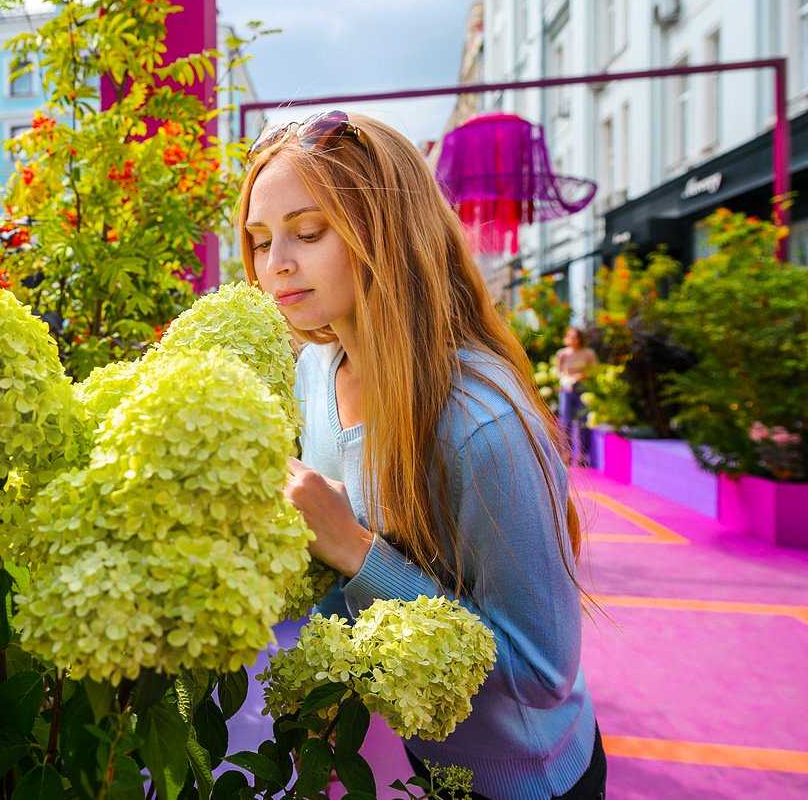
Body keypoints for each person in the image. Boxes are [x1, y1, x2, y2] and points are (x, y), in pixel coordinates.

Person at [237, 111, 605, 800]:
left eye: (309, 232)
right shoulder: (314, 372)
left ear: (385, 231)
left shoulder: (481, 426)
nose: (275, 263)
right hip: (410, 760)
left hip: (523, 780)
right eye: (260, 241)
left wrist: (355, 548)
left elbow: (541, 669)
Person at [554, 328, 598, 467]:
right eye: (569, 337)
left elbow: (594, 370)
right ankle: (565, 455)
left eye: (575, 337)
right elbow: (559, 372)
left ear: (580, 338)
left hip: (582, 390)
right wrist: (566, 380)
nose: (572, 340)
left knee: (582, 422)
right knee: (565, 422)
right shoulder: (562, 354)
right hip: (566, 390)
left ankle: (583, 456)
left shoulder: (588, 353)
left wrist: (579, 377)